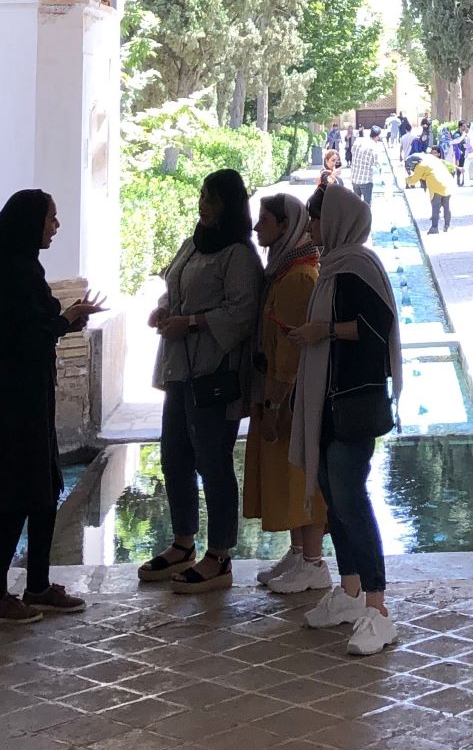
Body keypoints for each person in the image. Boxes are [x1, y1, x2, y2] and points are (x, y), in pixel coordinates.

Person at [0, 189, 102, 621]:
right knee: (17, 493)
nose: (56, 226)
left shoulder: (21, 267)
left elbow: (31, 327)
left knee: (44, 488)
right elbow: (24, 337)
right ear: (31, 222)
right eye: (50, 218)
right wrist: (65, 319)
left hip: (28, 392)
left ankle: (38, 584)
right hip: (16, 398)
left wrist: (64, 320)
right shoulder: (15, 271)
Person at [289, 183, 402, 655]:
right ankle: (351, 590)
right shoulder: (335, 265)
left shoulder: (357, 267)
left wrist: (323, 331)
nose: (311, 227)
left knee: (350, 496)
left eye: (315, 218)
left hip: (353, 402)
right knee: (335, 495)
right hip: (329, 402)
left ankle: (377, 606)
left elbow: (378, 328)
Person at [137, 169, 261, 592]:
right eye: (203, 196)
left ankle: (220, 555)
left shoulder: (238, 254)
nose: (203, 205)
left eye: (212, 199)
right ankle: (183, 542)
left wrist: (190, 322)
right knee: (174, 455)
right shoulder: (194, 242)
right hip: (180, 371)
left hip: (214, 375)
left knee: (213, 462)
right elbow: (175, 284)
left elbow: (243, 312)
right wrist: (164, 308)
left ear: (230, 205)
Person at [245, 194, 332, 595]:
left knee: (299, 475)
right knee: (286, 473)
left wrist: (277, 403)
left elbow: (292, 350)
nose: (257, 227)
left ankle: (313, 561)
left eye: (265, 220)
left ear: (285, 226)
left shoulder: (298, 277)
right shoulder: (283, 270)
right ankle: (299, 553)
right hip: (277, 393)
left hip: (291, 397)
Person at [407, 145, 453, 233]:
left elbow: (413, 180)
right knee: (446, 206)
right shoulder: (433, 160)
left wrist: (406, 180)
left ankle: (434, 228)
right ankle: (447, 226)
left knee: (435, 207)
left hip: (437, 186)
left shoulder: (420, 165)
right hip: (448, 184)